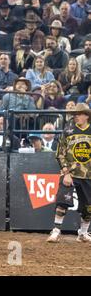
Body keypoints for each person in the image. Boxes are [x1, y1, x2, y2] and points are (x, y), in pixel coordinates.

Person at [47, 103, 91, 243]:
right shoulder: (68, 131)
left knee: (89, 207)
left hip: (88, 175)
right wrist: (66, 172)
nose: (75, 116)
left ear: (86, 116)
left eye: (78, 114)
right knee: (62, 201)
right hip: (70, 173)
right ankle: (56, 231)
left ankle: (83, 233)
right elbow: (60, 153)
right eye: (74, 114)